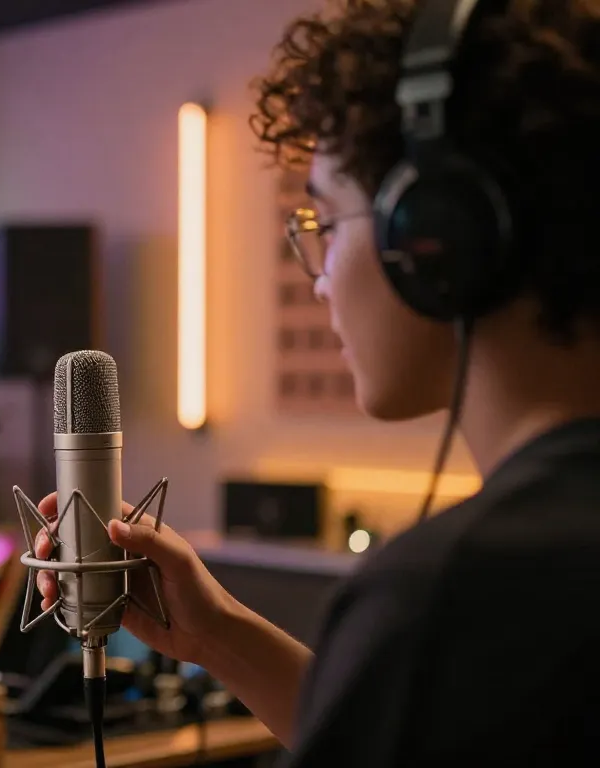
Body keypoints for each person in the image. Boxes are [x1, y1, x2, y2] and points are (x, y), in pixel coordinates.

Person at [37, 0, 600, 764]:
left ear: (438, 233)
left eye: (327, 223)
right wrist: (218, 635)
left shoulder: (451, 598)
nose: (320, 278)